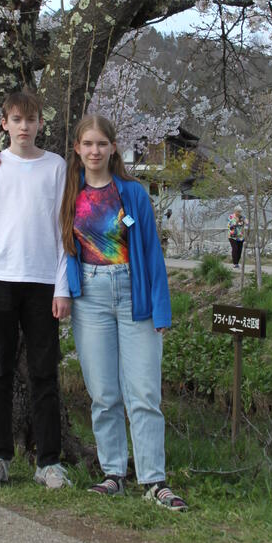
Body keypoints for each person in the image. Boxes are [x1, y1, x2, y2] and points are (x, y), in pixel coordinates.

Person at [62, 114, 188, 511]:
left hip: (133, 295)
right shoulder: (69, 192)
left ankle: (155, 481)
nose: (95, 151)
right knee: (103, 393)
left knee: (144, 393)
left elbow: (151, 251)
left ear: (113, 147)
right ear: (78, 150)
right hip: (90, 298)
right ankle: (113, 473)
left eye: (102, 143)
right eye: (88, 144)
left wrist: (161, 311)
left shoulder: (131, 194)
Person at [0, 89, 72, 490]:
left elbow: (64, 232)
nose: (24, 127)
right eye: (16, 119)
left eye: (30, 120)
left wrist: (61, 288)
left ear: (40, 123)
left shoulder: (56, 166)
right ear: (4, 124)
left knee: (44, 373)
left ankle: (48, 462)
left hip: (43, 283)